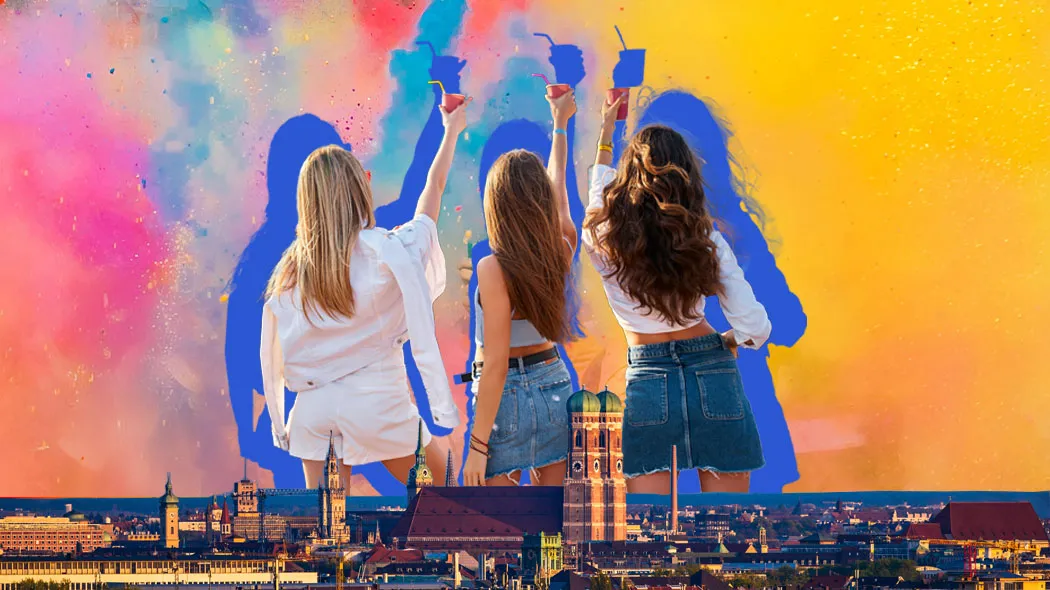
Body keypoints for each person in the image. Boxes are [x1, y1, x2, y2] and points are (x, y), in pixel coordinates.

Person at [259, 98, 472, 488]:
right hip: (378, 403)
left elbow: (272, 354)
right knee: (448, 501)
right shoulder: (387, 251)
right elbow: (432, 192)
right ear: (360, 189)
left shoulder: (289, 273)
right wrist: (451, 131)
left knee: (327, 524)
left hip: (313, 412)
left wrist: (278, 422)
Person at [582, 97, 771, 493]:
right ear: (687, 180)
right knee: (726, 520)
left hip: (648, 378)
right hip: (712, 370)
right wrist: (728, 340)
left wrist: (606, 132)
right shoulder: (705, 239)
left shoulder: (603, 237)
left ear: (627, 181)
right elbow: (755, 327)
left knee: (650, 521)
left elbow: (598, 191)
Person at [461, 89, 579, 487]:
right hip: (554, 384)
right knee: (553, 518)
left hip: (504, 398)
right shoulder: (562, 247)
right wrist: (560, 125)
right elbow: (559, 194)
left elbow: (496, 364)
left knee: (501, 523)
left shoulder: (492, 269)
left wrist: (477, 447)